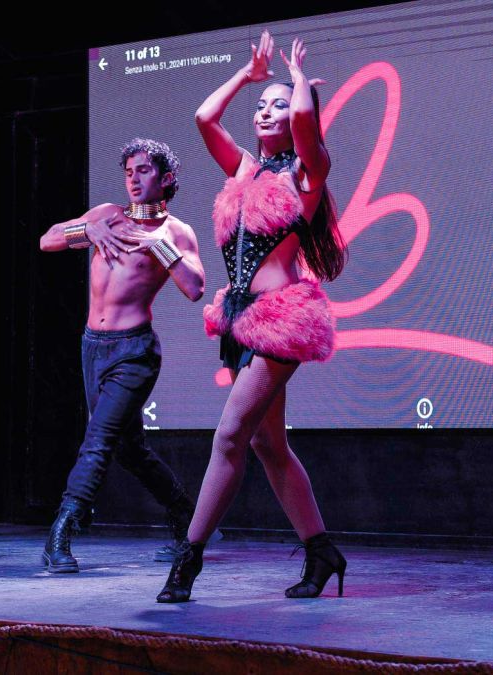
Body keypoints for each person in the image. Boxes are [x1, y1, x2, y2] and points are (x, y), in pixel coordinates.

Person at [157, 32, 347, 602]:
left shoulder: (306, 175)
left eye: (277, 106)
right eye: (261, 106)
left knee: (230, 436)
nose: (264, 112)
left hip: (280, 322)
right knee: (268, 446)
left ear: (296, 117)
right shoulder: (243, 168)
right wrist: (248, 75)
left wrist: (298, 80)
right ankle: (322, 551)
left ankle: (188, 560)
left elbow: (309, 128)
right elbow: (204, 117)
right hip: (240, 320)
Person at [40, 138, 205, 572]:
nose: (133, 179)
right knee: (129, 449)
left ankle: (61, 533)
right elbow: (47, 240)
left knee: (97, 441)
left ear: (166, 178)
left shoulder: (175, 232)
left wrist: (156, 244)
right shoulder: (107, 215)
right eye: (129, 172)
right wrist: (86, 231)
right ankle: (186, 515)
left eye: (143, 171)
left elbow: (195, 288)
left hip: (134, 351)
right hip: (93, 347)